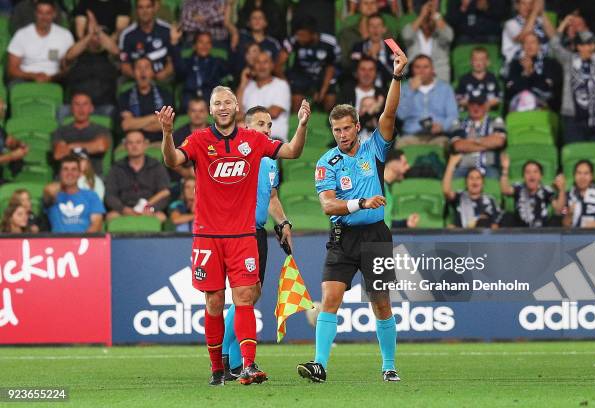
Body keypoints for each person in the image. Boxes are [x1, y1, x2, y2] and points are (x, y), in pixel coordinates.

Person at [156, 86, 311, 386]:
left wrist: (302, 126)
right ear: (211, 111)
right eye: (217, 103)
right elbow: (172, 160)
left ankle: (248, 365)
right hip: (208, 236)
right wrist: (166, 133)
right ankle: (217, 369)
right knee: (214, 302)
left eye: (228, 101)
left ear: (237, 107)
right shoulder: (200, 139)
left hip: (242, 236)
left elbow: (293, 151)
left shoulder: (254, 140)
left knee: (244, 298)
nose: (223, 107)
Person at [296, 48, 408, 384]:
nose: (342, 135)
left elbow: (388, 112)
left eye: (347, 128)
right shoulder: (326, 163)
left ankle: (389, 365)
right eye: (337, 130)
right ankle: (319, 365)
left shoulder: (375, 147)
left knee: (381, 304)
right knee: (330, 297)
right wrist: (360, 202)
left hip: (375, 236)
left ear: (358, 126)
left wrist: (396, 76)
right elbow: (328, 206)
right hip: (343, 237)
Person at [221, 105, 294, 381]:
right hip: (237, 232)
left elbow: (272, 197)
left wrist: (283, 222)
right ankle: (232, 360)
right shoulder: (236, 154)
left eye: (269, 125)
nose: (267, 129)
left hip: (258, 231)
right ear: (246, 127)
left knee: (253, 295)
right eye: (261, 124)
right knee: (246, 296)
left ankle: (233, 360)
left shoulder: (271, 158)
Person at [545, 22, 595, 144]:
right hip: (573, 117)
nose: (591, 47)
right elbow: (554, 46)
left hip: (594, 116)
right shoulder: (568, 60)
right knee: (575, 151)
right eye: (587, 44)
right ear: (579, 46)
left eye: (592, 44)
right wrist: (564, 23)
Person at [276, 17, 339, 113]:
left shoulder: (329, 42)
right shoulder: (293, 40)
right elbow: (278, 64)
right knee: (297, 98)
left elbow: (331, 67)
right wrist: (286, 84)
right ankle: (296, 123)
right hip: (301, 75)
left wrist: (323, 90)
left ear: (313, 34)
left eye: (302, 35)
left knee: (330, 98)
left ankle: (329, 124)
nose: (298, 37)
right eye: (297, 34)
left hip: (322, 75)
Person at [105, 130, 171, 222]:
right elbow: (110, 195)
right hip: (124, 209)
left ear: (145, 145)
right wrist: (123, 209)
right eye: (130, 143)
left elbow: (165, 193)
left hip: (149, 209)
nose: (134, 146)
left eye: (138, 142)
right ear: (125, 146)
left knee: (162, 217)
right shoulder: (116, 168)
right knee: (111, 217)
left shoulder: (156, 166)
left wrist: (152, 209)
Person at [396, 54, 458, 148]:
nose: (421, 71)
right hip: (411, 136)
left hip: (438, 136)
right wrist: (411, 91)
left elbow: (453, 116)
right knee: (399, 145)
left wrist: (442, 126)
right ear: (412, 69)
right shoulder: (404, 88)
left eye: (426, 67)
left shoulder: (445, 89)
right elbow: (401, 115)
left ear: (432, 69)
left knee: (447, 145)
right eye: (417, 67)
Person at [63, 12, 119, 114]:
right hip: (77, 106)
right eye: (91, 35)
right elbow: (68, 56)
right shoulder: (77, 55)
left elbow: (116, 52)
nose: (94, 38)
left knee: (115, 112)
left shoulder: (109, 56)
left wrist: (97, 30)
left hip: (104, 105)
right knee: (62, 111)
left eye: (97, 36)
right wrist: (89, 35)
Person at [7, 0, 74, 83]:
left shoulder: (65, 35)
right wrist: (33, 76)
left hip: (56, 79)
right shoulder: (21, 34)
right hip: (25, 78)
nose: (44, 17)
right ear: (35, 13)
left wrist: (53, 77)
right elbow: (12, 69)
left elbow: (70, 66)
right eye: (40, 13)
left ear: (54, 14)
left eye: (48, 13)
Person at [52, 93, 112, 176]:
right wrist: (89, 147)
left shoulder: (101, 129)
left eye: (85, 104)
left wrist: (71, 146)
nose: (81, 108)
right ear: (71, 109)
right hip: (68, 176)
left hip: (93, 176)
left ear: (91, 108)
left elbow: (101, 146)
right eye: (77, 104)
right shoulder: (61, 130)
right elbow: (58, 154)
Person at [43, 154, 105, 233]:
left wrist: (81, 242)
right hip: (57, 243)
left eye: (74, 169)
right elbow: (47, 193)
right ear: (60, 173)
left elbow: (96, 224)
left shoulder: (91, 196)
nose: (69, 173)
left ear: (79, 173)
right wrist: (64, 183)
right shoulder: (54, 194)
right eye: (65, 169)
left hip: (84, 242)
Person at [450, 93, 506, 179]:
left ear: (486, 106)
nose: (475, 108)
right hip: (464, 166)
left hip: (488, 166)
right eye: (472, 105)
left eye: (479, 105)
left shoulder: (496, 121)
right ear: (468, 106)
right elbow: (458, 146)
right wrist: (488, 143)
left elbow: (498, 142)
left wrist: (472, 141)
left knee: (493, 180)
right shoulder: (458, 122)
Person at [237, 51, 291, 141]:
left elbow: (274, 112)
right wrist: (243, 84)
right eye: (258, 62)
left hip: (273, 140)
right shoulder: (248, 87)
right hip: (249, 139)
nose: (261, 66)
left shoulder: (281, 85)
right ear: (253, 67)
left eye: (265, 62)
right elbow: (236, 114)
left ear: (272, 65)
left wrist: (245, 117)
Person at [499, 155, 565, 227]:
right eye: (528, 172)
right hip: (519, 230)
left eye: (535, 172)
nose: (531, 175)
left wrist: (561, 189)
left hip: (542, 231)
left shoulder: (546, 190)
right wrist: (505, 169)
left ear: (541, 176)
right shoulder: (519, 187)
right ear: (523, 176)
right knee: (507, 216)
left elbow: (559, 210)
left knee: (557, 218)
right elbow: (505, 190)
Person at [118, 57, 174, 142]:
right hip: (133, 142)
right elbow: (126, 125)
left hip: (159, 142)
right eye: (139, 68)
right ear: (133, 73)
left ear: (152, 72)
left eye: (146, 67)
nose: (142, 71)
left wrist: (136, 123)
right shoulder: (125, 96)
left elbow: (164, 125)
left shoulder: (165, 94)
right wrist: (152, 118)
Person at [170, 31, 227, 110]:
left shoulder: (217, 62)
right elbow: (179, 71)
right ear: (194, 45)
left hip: (210, 101)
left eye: (208, 43)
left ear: (211, 46)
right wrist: (174, 43)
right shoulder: (187, 62)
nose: (204, 46)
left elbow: (231, 71)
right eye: (201, 42)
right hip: (189, 101)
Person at [118, 0, 173, 81]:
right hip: (136, 80)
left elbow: (172, 61)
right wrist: (140, 77)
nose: (145, 11)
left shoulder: (167, 30)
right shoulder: (127, 35)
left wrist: (165, 73)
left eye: (148, 7)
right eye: (141, 8)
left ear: (154, 8)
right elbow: (124, 65)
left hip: (162, 80)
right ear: (136, 10)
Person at [442, 154, 501, 228]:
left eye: (478, 178)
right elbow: (446, 191)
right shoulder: (460, 197)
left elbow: (495, 226)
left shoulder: (490, 200)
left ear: (483, 183)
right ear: (466, 183)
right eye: (471, 178)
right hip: (460, 236)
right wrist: (451, 164)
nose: (474, 181)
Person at [401, 0, 454, 82]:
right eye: (425, 20)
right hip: (414, 76)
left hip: (438, 77)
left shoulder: (440, 34)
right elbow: (406, 35)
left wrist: (435, 14)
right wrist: (422, 15)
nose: (428, 22)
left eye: (430, 19)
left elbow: (449, 37)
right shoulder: (414, 34)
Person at [505, 33, 556, 112]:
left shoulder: (549, 63)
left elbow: (546, 88)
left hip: (542, 108)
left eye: (533, 42)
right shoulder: (515, 64)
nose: (529, 46)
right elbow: (511, 89)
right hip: (518, 108)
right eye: (526, 43)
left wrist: (531, 72)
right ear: (522, 46)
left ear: (539, 45)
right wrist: (525, 73)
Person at [338, 57, 385, 136]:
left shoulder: (382, 95)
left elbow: (389, 126)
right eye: (363, 69)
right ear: (356, 73)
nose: (367, 74)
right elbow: (338, 122)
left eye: (371, 70)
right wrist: (370, 112)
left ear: (376, 73)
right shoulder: (346, 92)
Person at [563, 160, 595, 229]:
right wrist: (569, 214)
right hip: (573, 237)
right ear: (574, 175)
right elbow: (563, 223)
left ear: (592, 176)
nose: (582, 177)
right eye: (579, 173)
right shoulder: (567, 196)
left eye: (586, 173)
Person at [348, 14, 394, 87]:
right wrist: (366, 56)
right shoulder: (358, 47)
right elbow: (352, 72)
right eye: (371, 26)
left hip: (386, 90)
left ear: (384, 29)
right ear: (367, 29)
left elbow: (394, 76)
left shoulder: (393, 47)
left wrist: (375, 58)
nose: (375, 29)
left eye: (378, 25)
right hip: (362, 88)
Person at [383, 149, 420, 228]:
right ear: (393, 164)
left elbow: (385, 223)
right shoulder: (376, 187)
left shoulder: (385, 188)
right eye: (404, 164)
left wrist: (405, 223)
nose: (408, 167)